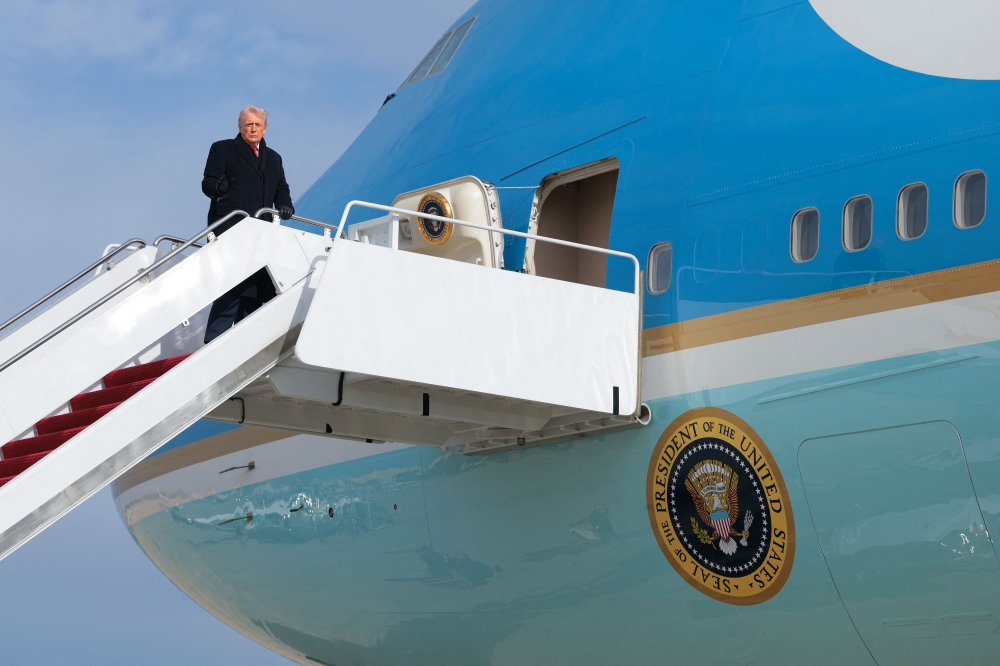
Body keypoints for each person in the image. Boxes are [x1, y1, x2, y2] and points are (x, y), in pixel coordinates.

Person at [201, 105, 295, 343]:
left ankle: (246, 341)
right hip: (231, 227)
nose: (253, 129)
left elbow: (281, 188)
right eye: (248, 125)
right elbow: (208, 182)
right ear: (240, 126)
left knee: (255, 287)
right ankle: (214, 340)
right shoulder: (222, 148)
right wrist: (218, 188)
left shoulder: (274, 157)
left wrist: (285, 205)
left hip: (261, 232)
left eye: (257, 125)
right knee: (230, 285)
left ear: (265, 128)